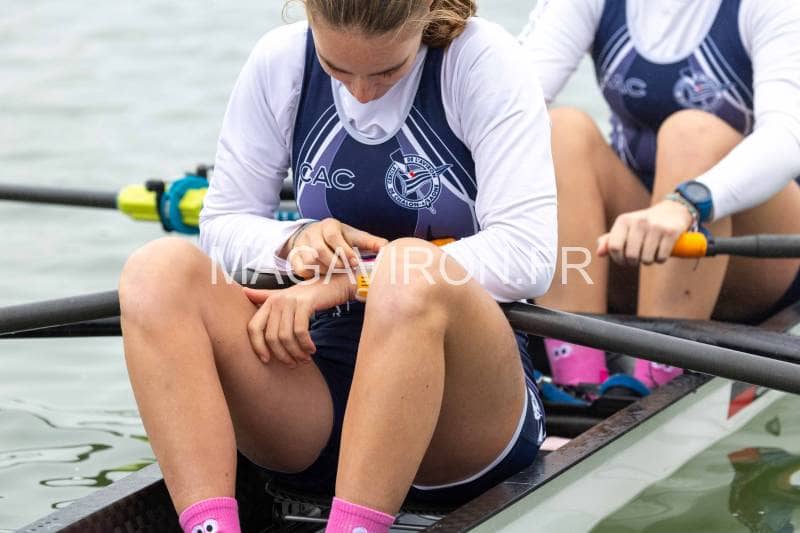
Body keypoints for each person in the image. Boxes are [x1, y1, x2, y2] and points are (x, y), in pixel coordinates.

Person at [119, 1, 557, 532]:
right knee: (155, 272)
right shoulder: (279, 61)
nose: (362, 92)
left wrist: (352, 281)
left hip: (464, 423)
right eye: (336, 69)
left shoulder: (482, 60)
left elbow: (527, 256)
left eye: (388, 72)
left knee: (409, 267)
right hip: (319, 397)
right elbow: (222, 225)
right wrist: (293, 240)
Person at [521, 0, 800, 394]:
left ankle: (657, 378)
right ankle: (577, 378)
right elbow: (506, 110)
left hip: (753, 256)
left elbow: (788, 137)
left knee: (691, 133)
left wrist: (687, 203)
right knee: (557, 129)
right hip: (638, 243)